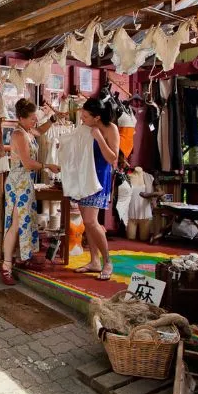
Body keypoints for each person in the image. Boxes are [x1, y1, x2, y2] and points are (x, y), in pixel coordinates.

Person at [1, 99, 61, 285]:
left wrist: (52, 119)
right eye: (32, 118)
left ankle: (21, 257)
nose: (35, 121)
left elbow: (40, 131)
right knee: (16, 223)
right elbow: (27, 163)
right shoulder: (19, 134)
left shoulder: (27, 131)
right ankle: (6, 266)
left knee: (25, 221)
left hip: (25, 182)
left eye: (36, 118)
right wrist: (47, 166)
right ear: (21, 118)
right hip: (18, 182)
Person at [74, 98, 121, 281]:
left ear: (97, 117)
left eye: (85, 116)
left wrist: (99, 137)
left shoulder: (111, 129)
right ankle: (94, 261)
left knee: (91, 221)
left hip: (100, 179)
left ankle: (107, 261)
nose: (82, 119)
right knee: (87, 223)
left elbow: (112, 158)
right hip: (84, 178)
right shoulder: (85, 128)